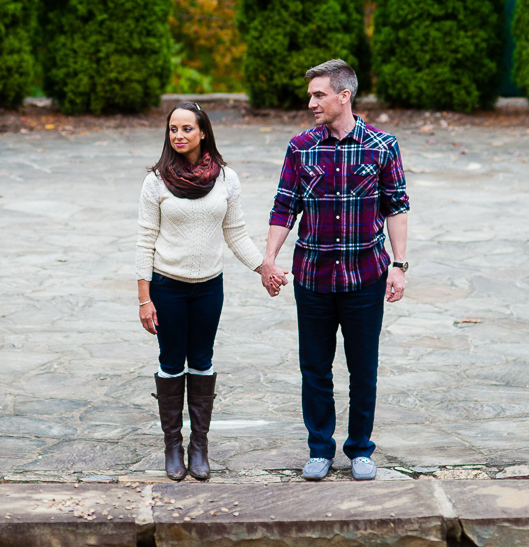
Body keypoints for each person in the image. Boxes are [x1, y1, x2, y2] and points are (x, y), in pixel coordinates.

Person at [261, 59, 409, 481]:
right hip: (313, 277)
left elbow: (396, 207)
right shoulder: (300, 147)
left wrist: (398, 265)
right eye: (311, 95)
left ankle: (360, 448)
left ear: (344, 96)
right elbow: (284, 206)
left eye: (319, 94)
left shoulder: (382, 146)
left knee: (363, 367)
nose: (311, 102)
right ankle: (320, 448)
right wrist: (269, 258)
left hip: (366, 276)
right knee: (315, 367)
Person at [136, 101, 264, 481]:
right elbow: (145, 240)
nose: (178, 135)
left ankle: (199, 447)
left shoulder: (226, 178)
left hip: (209, 287)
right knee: (172, 361)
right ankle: (172, 447)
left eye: (186, 129)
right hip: (167, 286)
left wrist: (263, 267)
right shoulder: (155, 181)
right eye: (173, 129)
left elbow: (235, 232)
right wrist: (144, 297)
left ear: (203, 132)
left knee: (203, 361)